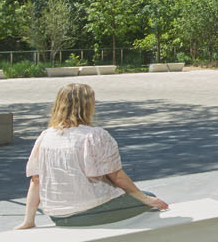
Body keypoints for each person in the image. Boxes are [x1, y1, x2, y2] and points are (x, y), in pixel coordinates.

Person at [16, 83, 168, 228]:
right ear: (88, 106)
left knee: (143, 198)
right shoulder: (95, 135)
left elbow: (36, 181)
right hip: (93, 210)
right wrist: (146, 199)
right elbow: (117, 176)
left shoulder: (45, 137)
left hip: (59, 216)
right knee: (149, 197)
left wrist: (28, 221)